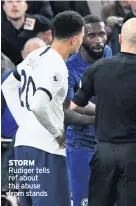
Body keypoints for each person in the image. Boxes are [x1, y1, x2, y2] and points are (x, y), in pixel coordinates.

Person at [70, 17, 136, 206]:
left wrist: (104, 110)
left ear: (119, 39)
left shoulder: (97, 69)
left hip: (103, 152)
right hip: (135, 155)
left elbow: (75, 105)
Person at [2, 11, 84, 206]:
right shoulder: (57, 67)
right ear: (74, 40)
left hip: (22, 145)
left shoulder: (37, 54)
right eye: (81, 37)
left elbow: (7, 86)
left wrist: (24, 121)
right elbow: (39, 104)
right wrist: (56, 133)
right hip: (46, 149)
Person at [64, 15, 112, 206]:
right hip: (80, 145)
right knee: (85, 202)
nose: (98, 40)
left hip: (110, 144)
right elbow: (66, 112)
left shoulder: (108, 53)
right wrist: (100, 117)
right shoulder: (69, 69)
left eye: (101, 34)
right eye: (91, 35)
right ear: (80, 37)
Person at [1, 37, 46, 206]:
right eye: (30, 54)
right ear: (22, 55)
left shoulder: (51, 80)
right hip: (7, 137)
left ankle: (7, 193)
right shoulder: (8, 78)